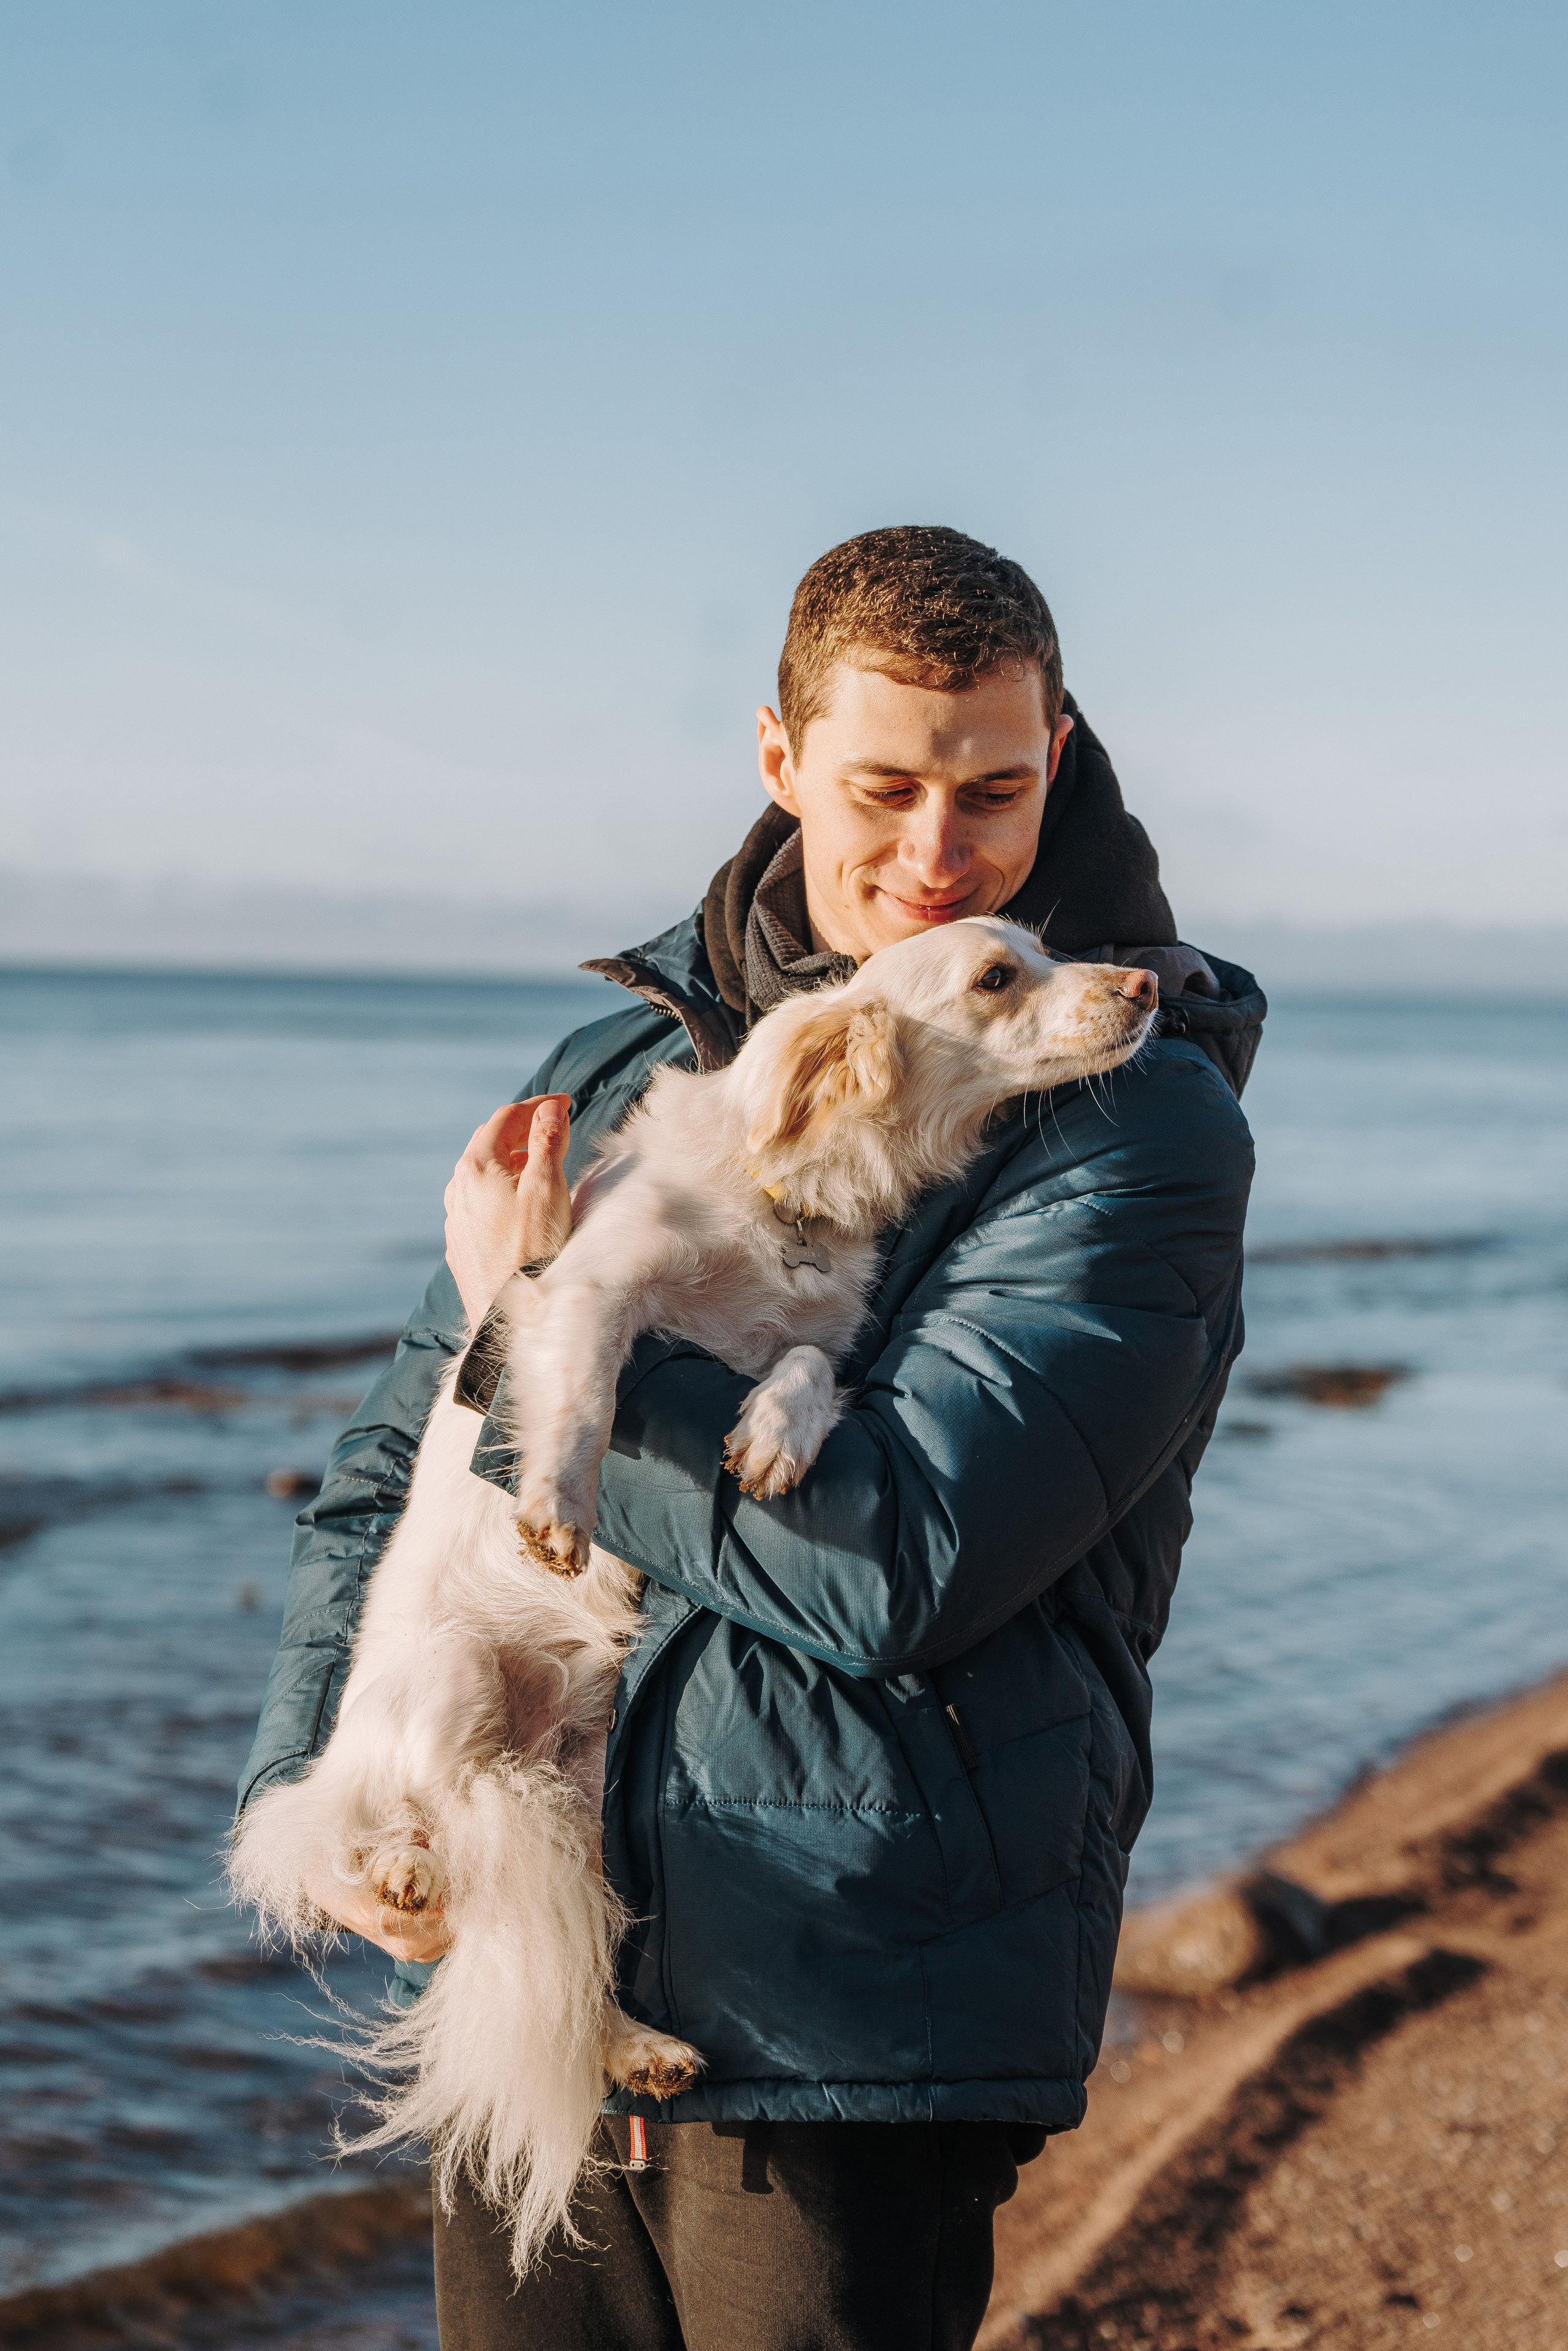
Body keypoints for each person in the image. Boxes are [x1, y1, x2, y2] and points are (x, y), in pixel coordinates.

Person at [240, 526, 1262, 2350]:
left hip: (847, 1997)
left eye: (994, 791)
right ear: (781, 760)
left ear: (1060, 758)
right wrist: (323, 1806)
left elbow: (902, 1559)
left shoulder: (1130, 1120)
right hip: (528, 1958)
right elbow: (389, 1474)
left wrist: (535, 1332)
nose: (939, 858)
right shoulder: (617, 1068)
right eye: (885, 789)